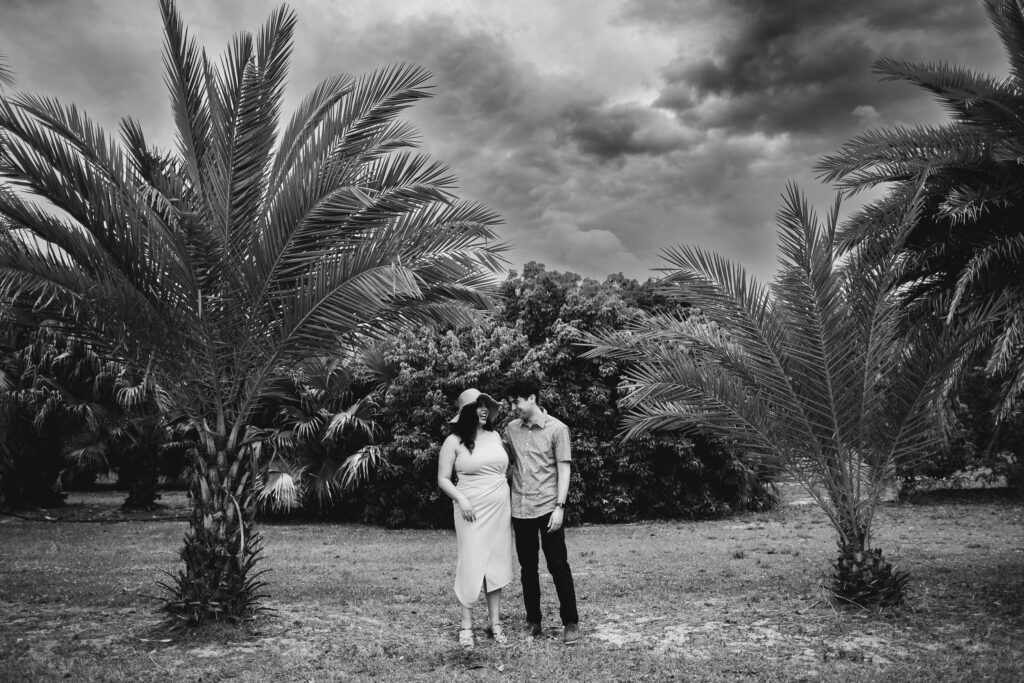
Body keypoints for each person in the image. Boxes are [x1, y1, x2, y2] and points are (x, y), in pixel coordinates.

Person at [503, 379, 581, 644]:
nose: (514, 407)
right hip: (520, 508)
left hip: (548, 507)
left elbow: (564, 469)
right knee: (527, 569)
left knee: (558, 565)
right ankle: (533, 622)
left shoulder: (558, 429)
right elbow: (507, 463)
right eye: (512, 402)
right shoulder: (511, 430)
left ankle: (570, 622)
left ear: (533, 398)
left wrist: (560, 507)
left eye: (517, 402)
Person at [437, 388, 513, 650]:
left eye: (485, 405)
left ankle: (495, 624)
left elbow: (503, 469)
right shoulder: (453, 441)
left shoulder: (495, 436)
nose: (483, 410)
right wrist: (462, 499)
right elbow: (443, 479)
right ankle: (466, 626)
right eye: (477, 406)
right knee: (471, 562)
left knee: (496, 563)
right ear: (466, 412)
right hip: (470, 509)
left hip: (500, 507)